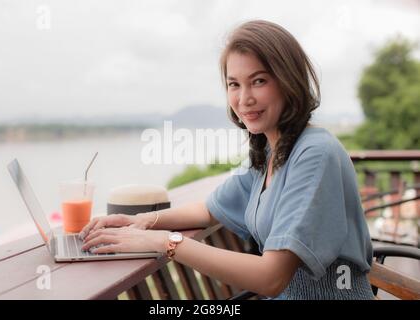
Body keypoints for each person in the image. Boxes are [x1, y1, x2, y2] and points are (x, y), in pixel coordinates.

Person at [79, 20, 375, 300]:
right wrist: (143, 221)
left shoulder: (315, 154)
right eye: (234, 84)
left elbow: (272, 277)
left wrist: (164, 242)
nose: (243, 98)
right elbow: (209, 210)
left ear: (288, 82)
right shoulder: (271, 152)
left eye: (258, 81)